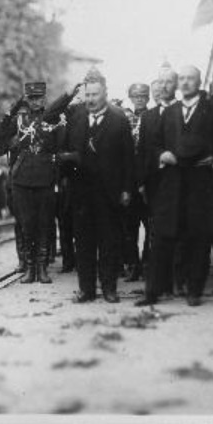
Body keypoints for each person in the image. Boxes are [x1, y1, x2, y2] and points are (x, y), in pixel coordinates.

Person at [139, 65, 213, 307]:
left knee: (197, 239)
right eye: (181, 79)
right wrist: (162, 155)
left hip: (201, 185)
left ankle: (194, 291)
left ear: (199, 81)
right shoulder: (170, 112)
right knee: (162, 238)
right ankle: (153, 292)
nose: (185, 83)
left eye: (190, 79)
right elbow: (154, 144)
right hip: (172, 184)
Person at [0, 80, 80, 285]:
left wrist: (57, 166)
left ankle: (42, 269)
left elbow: (61, 146)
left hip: (45, 179)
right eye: (31, 98)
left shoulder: (54, 119)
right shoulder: (18, 121)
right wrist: (11, 111)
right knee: (26, 225)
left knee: (44, 225)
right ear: (26, 99)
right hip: (22, 180)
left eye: (39, 97)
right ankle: (30, 269)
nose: (35, 102)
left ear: (44, 98)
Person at [65, 68, 135, 303]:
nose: (91, 100)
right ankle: (86, 290)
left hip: (110, 193)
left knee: (109, 242)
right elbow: (66, 151)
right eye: (87, 95)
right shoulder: (75, 118)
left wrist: (126, 189)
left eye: (95, 94)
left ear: (105, 93)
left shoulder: (119, 120)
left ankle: (109, 288)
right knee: (83, 243)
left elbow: (128, 158)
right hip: (81, 193)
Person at [122, 82, 151, 282]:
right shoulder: (124, 118)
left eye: (143, 96)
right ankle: (133, 264)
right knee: (129, 226)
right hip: (129, 179)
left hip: (149, 179)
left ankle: (148, 263)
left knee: (151, 225)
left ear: (148, 98)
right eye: (136, 96)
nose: (139, 99)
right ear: (130, 98)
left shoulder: (154, 117)